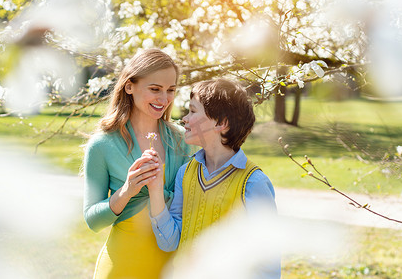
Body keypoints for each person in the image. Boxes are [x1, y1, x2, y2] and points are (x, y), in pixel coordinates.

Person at [142, 78, 281, 278]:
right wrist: (155, 189)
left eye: (192, 111)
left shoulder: (253, 183)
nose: (184, 119)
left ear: (221, 123)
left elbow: (268, 265)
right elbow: (170, 242)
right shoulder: (186, 172)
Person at [83, 49, 192, 279]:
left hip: (171, 268)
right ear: (129, 86)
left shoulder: (181, 140)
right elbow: (92, 220)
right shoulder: (102, 145)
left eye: (170, 90)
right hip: (122, 267)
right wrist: (126, 191)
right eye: (155, 89)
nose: (164, 99)